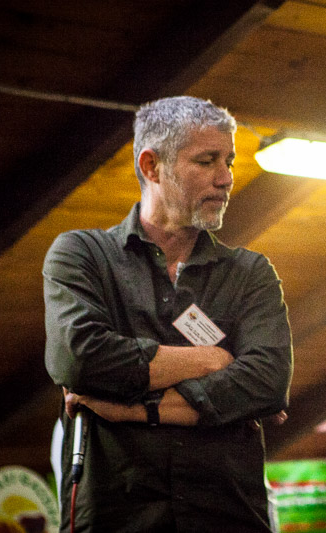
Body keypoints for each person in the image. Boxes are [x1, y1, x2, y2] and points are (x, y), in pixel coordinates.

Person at [43, 96, 293, 532]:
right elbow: (79, 359)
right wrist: (211, 361)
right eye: (206, 161)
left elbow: (267, 381)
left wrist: (132, 410)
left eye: (229, 161)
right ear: (151, 166)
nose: (226, 178)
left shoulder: (250, 272)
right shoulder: (82, 254)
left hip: (226, 516)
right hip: (116, 517)